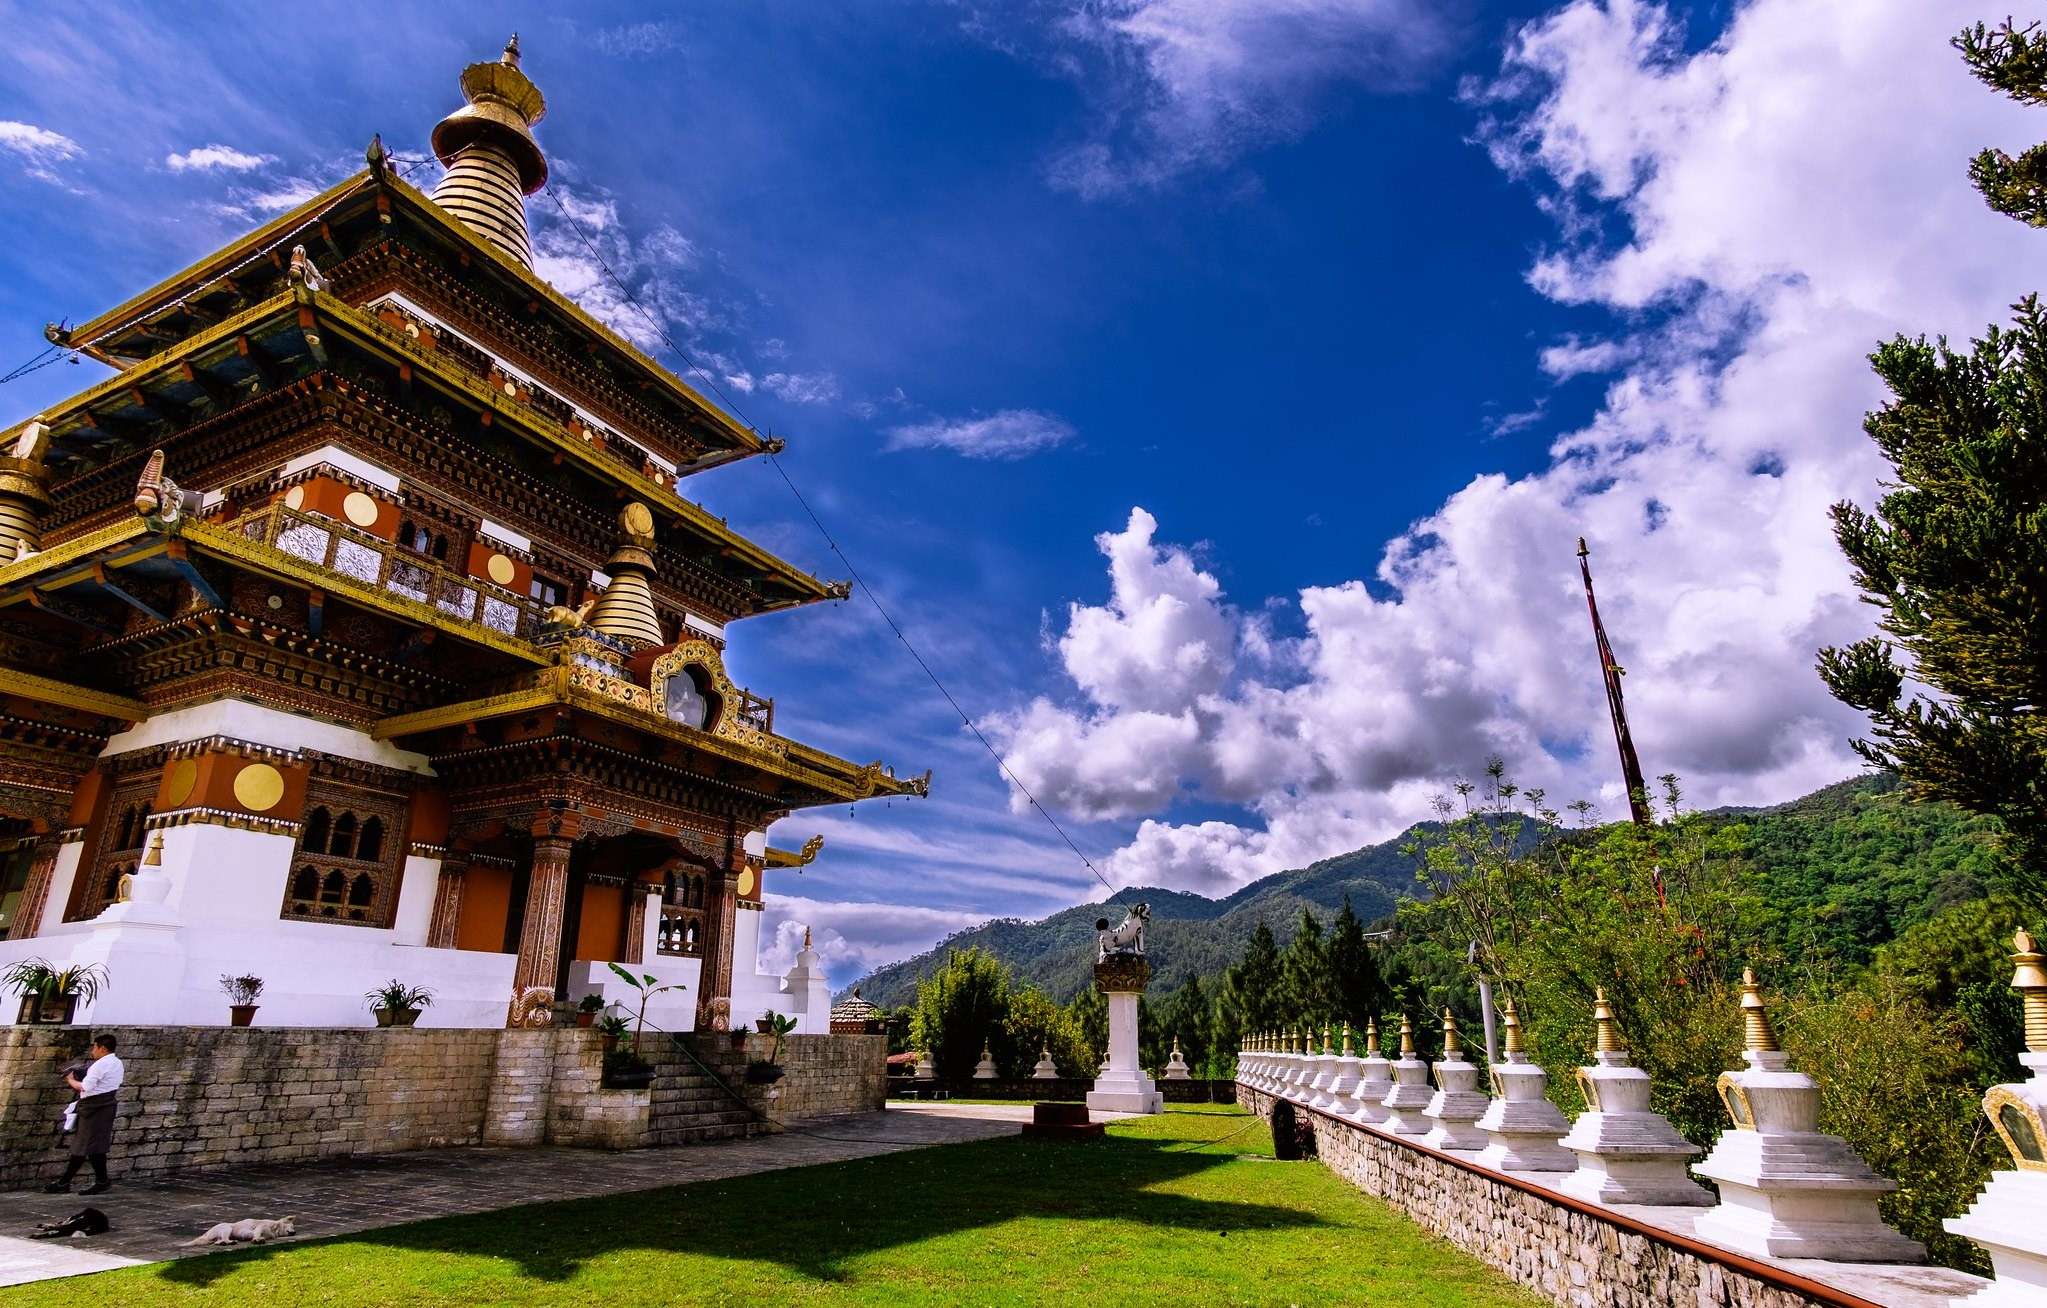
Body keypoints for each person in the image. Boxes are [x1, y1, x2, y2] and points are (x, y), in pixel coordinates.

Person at [46, 1033, 121, 1195]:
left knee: (83, 1145)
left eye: (94, 1047)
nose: (93, 1051)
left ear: (102, 1048)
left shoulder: (100, 1065)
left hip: (94, 1107)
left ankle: (65, 1183)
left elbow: (85, 1087)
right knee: (95, 1146)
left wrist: (70, 1079)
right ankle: (101, 1181)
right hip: (106, 1106)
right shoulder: (117, 1063)